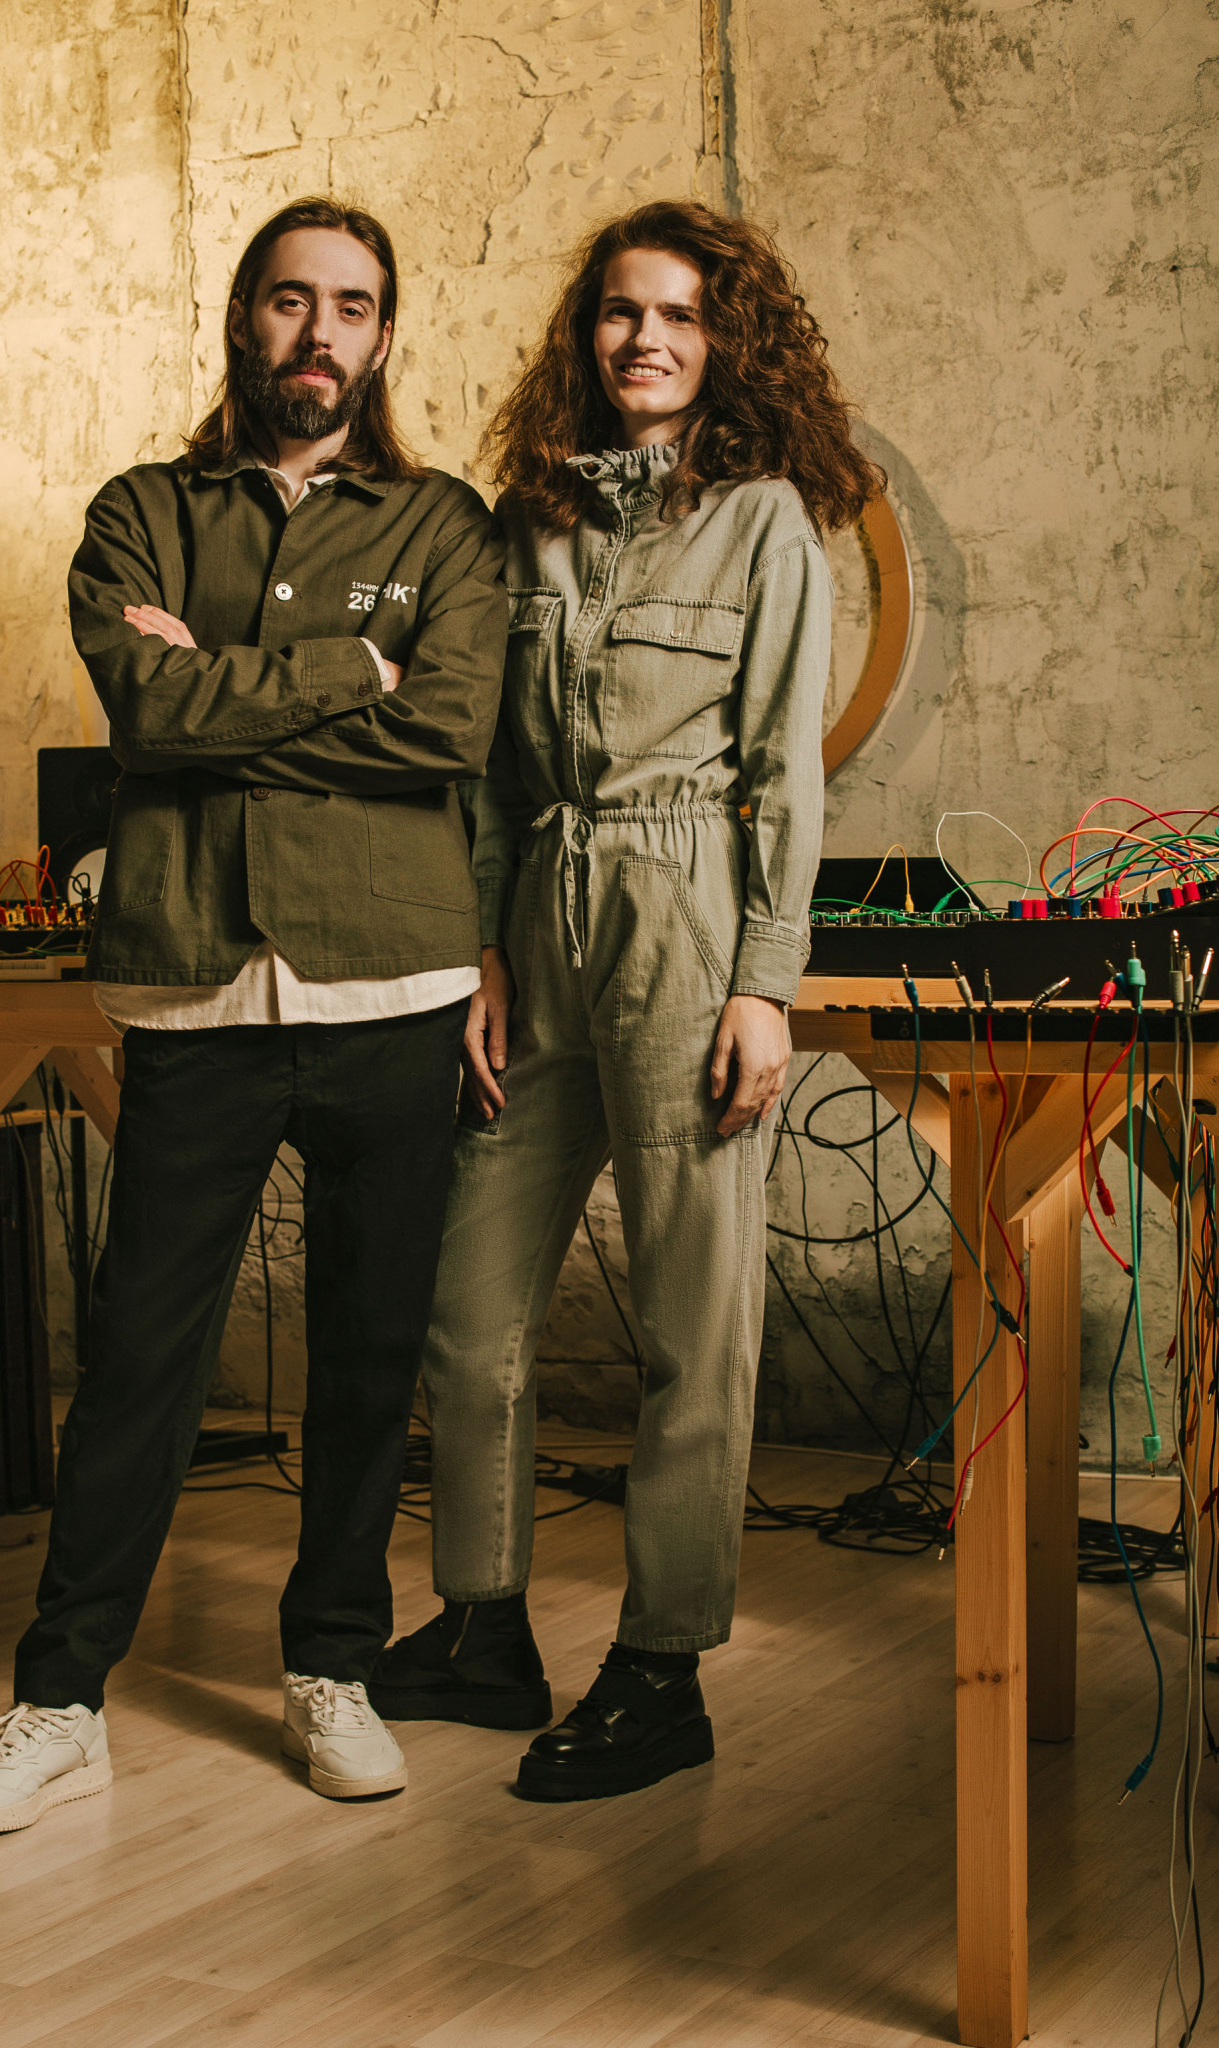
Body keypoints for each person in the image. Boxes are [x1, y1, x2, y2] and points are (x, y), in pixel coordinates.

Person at [0, 198, 506, 1834]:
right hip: (193, 984)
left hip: (396, 980)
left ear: (384, 335)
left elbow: (451, 733)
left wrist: (224, 697)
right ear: (243, 316)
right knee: (136, 1358)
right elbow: (144, 706)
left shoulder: (445, 524)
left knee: (368, 1349)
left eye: (352, 306)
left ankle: (333, 1664)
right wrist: (355, 674)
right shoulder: (140, 513)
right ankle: (59, 1700)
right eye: (290, 300)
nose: (320, 332)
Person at [371, 199, 885, 1800]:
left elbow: (781, 770)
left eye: (675, 314)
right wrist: (484, 948)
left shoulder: (765, 523)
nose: (641, 338)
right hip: (541, 918)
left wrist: (764, 984)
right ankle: (482, 1627)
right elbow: (488, 769)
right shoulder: (526, 525)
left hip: (687, 916)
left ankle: (662, 1669)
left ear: (724, 342)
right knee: (467, 1309)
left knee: (688, 1326)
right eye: (616, 311)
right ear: (583, 334)